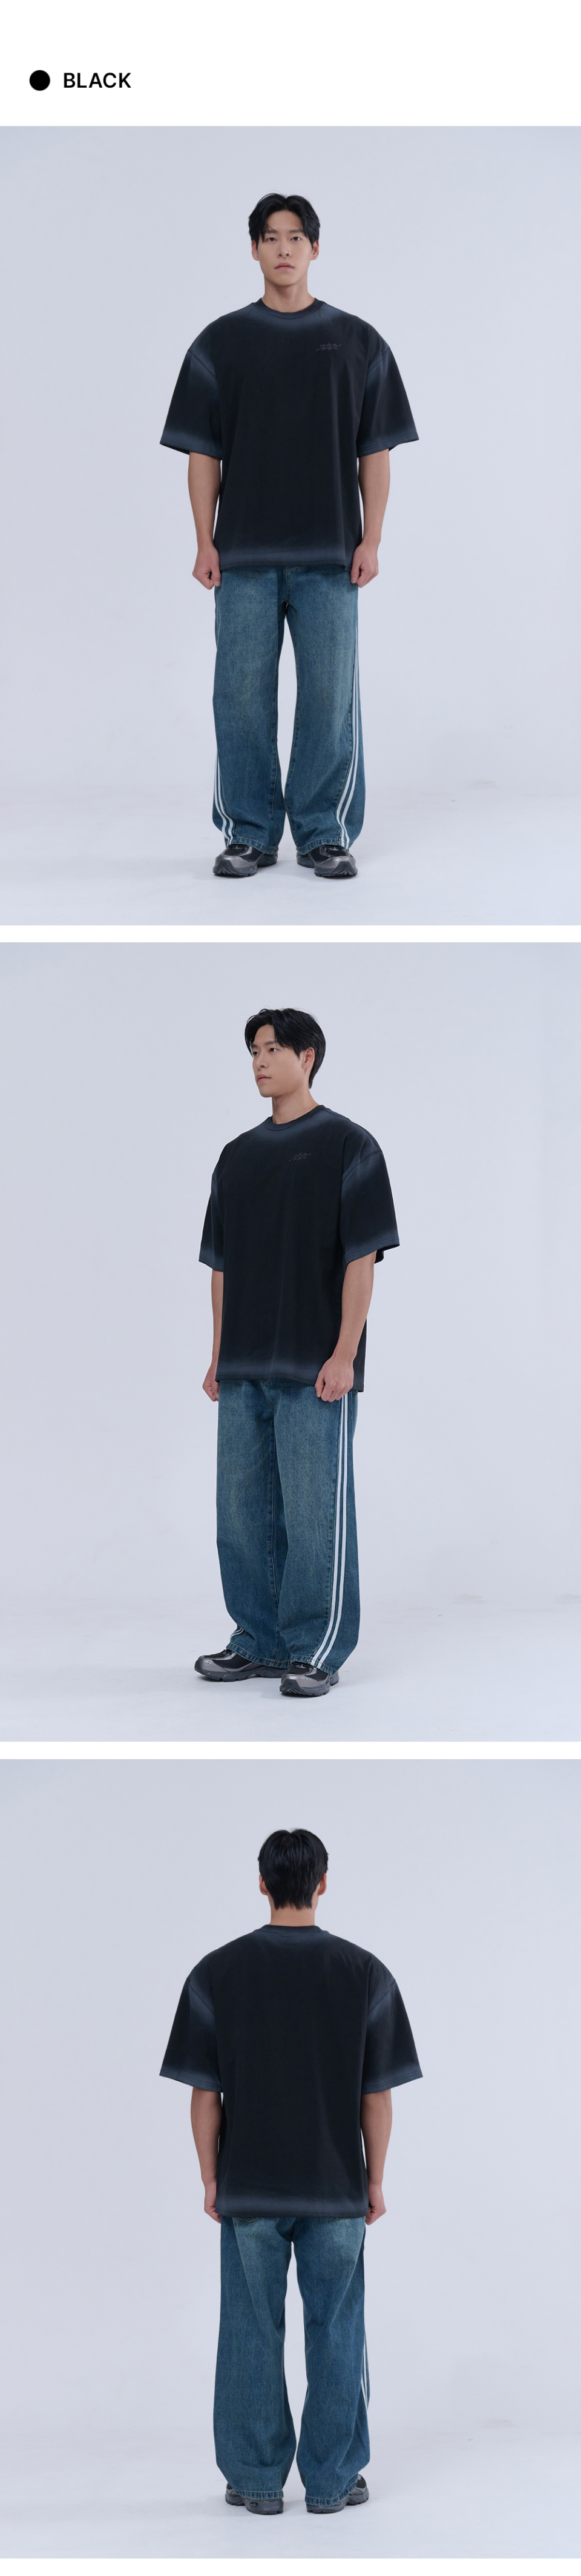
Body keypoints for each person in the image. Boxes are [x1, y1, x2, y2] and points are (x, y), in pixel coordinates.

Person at [160, 1825, 422, 2515]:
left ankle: (255, 2480)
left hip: (249, 2185)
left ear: (262, 1882)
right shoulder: (365, 1973)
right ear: (323, 1883)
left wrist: (211, 2176)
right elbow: (376, 2095)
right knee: (338, 2328)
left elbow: (205, 2094)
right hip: (336, 2187)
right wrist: (374, 2179)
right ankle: (333, 2481)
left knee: (250, 2327)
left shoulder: (216, 1972)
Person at [160, 191, 418, 882]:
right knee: (240, 697)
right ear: (253, 249)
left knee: (330, 700)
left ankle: (324, 832)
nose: (283, 248)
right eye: (270, 237)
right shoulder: (220, 343)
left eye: (295, 237)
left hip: (330, 556)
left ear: (315, 248)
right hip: (242, 554)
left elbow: (375, 451)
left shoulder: (357, 341)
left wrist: (372, 539)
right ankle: (248, 832)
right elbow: (203, 453)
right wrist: (204, 540)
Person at [195, 1006, 399, 1697]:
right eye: (253, 1050)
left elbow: (362, 1256)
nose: (259, 1061)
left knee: (315, 1516)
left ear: (307, 1056)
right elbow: (221, 1265)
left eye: (272, 1048)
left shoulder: (350, 1145)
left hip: (316, 1365)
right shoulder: (237, 1155)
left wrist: (345, 1353)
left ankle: (318, 1647)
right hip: (244, 1365)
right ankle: (258, 1640)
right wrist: (218, 1355)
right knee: (241, 1515)